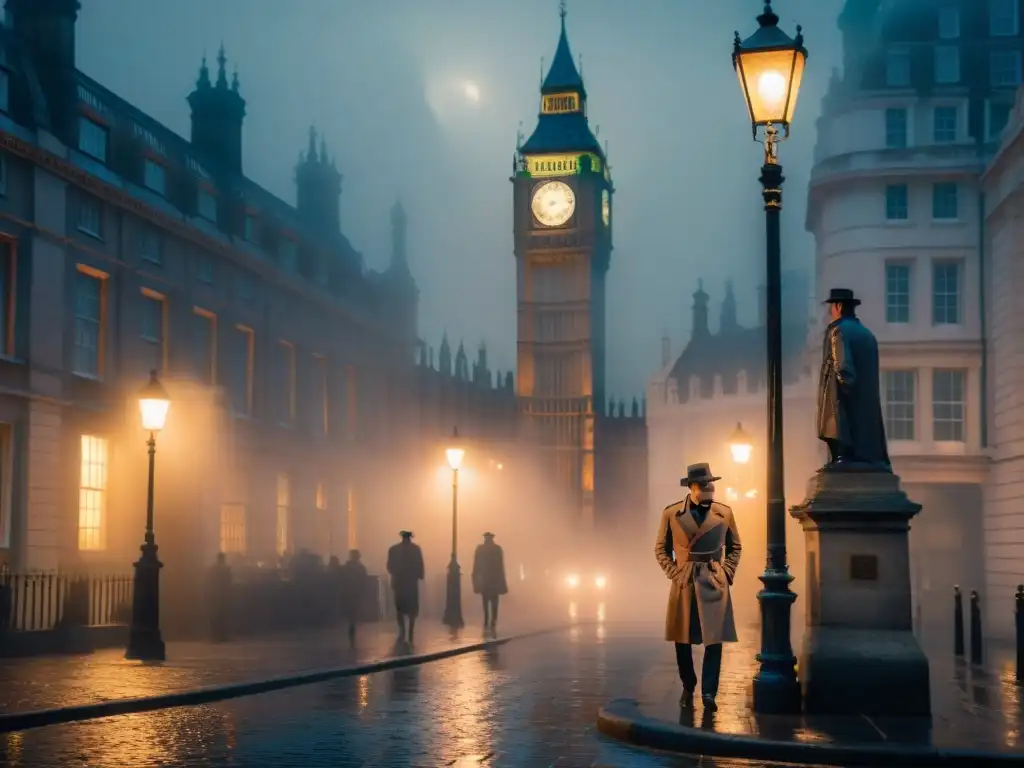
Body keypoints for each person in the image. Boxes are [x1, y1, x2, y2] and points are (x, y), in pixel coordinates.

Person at [654, 462, 742, 712]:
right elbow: (661, 548)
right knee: (681, 639)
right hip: (685, 582)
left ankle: (708, 694)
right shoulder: (671, 514)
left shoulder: (724, 513)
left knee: (714, 641)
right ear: (692, 487)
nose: (710, 488)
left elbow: (735, 547)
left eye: (711, 484)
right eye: (704, 485)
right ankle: (688, 685)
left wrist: (725, 572)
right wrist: (675, 573)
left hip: (713, 580)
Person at [817, 287, 890, 470]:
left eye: (831, 307)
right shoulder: (867, 335)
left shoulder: (838, 332)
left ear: (839, 306)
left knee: (840, 435)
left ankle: (842, 457)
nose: (829, 312)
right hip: (867, 404)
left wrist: (845, 386)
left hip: (843, 401)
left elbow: (843, 366)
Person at [386, 530, 424, 644]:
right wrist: (419, 575)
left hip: (399, 582)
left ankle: (402, 629)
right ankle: (410, 629)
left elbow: (389, 566)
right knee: (411, 607)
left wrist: (395, 573)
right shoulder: (416, 549)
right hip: (410, 582)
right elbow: (420, 564)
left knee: (400, 607)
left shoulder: (394, 549)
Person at [472, 532, 508, 634]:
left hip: (485, 579)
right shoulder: (497, 549)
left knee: (485, 601)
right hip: (494, 579)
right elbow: (501, 567)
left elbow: (476, 565)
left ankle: (487, 620)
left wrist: (475, 577)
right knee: (494, 602)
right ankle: (492, 621)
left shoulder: (480, 549)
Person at [340, 549, 368, 646]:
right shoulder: (361, 568)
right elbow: (364, 582)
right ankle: (352, 629)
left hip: (348, 593)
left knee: (350, 614)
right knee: (353, 614)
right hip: (355, 594)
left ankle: (350, 629)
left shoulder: (346, 567)